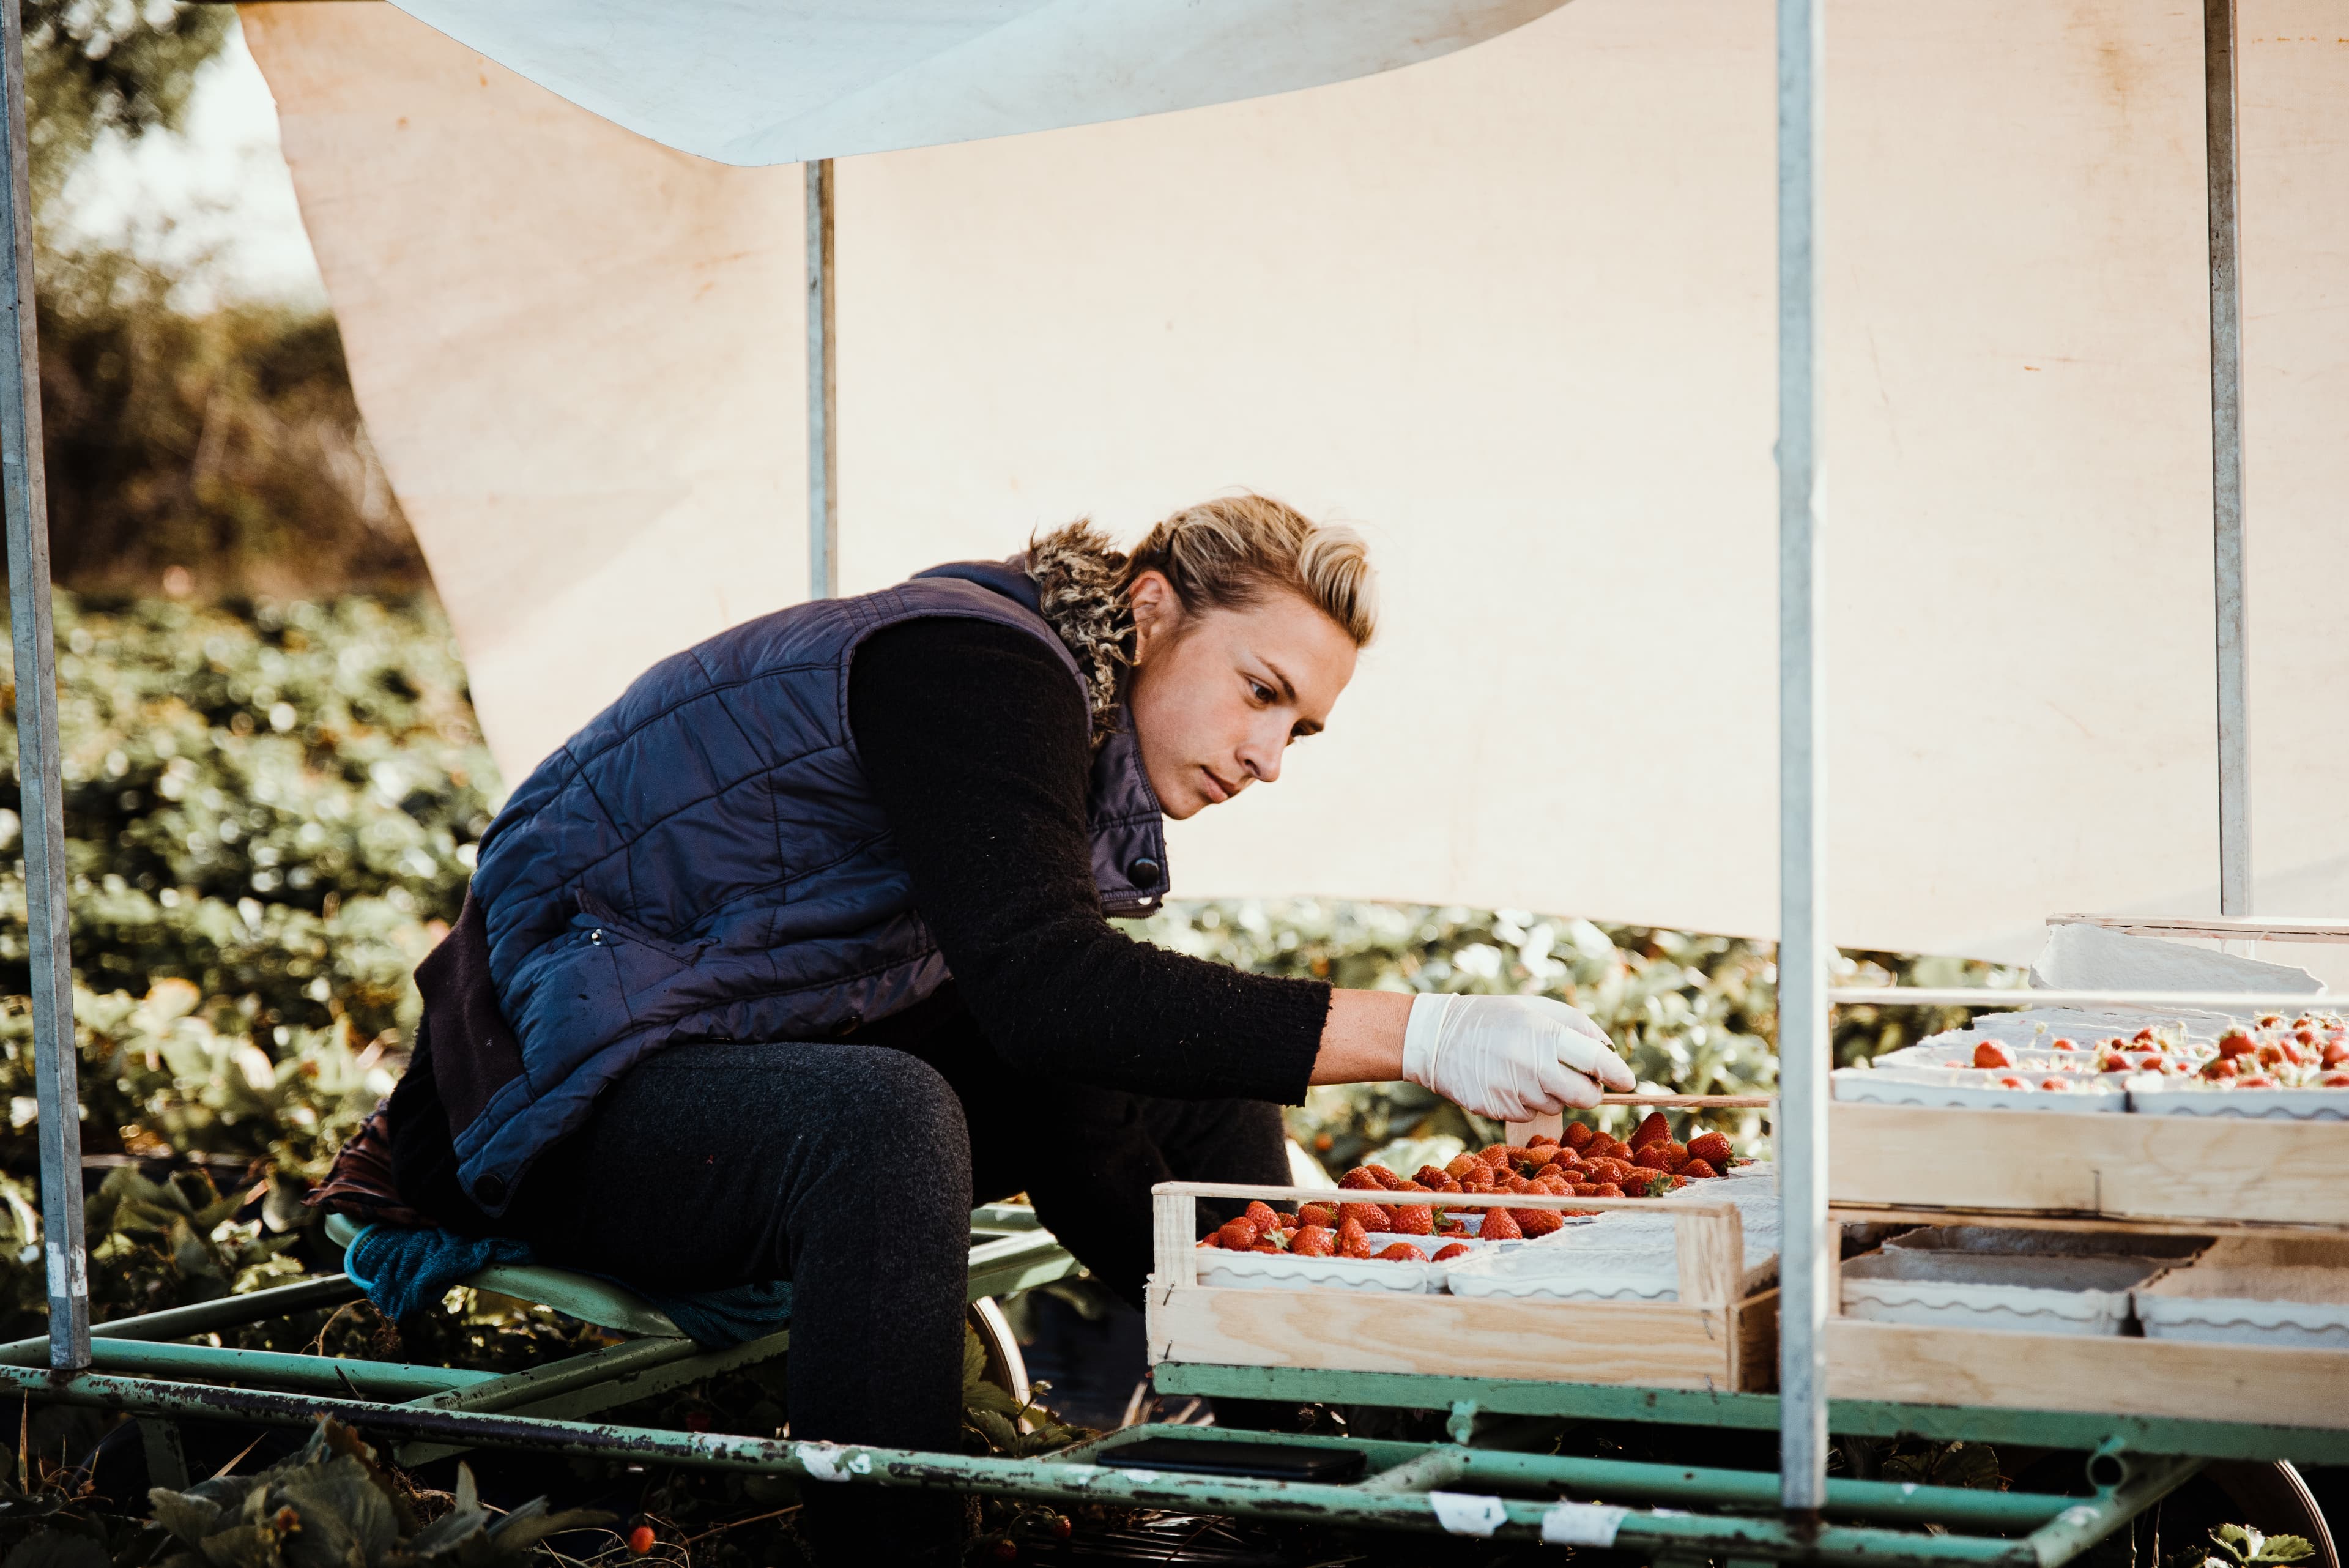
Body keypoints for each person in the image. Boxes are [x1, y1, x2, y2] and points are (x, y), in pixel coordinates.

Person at [366, 494, 1632, 1562]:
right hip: (560, 1105)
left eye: (1296, 726)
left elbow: (1057, 1033)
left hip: (716, 1044)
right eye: (1259, 691)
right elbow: (1049, 985)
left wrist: (1267, 1252)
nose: (1268, 757)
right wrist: (1425, 1030)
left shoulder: (1058, 722)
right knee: (887, 1122)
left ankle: (1295, 1460)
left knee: (1177, 1071)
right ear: (1146, 612)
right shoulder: (978, 665)